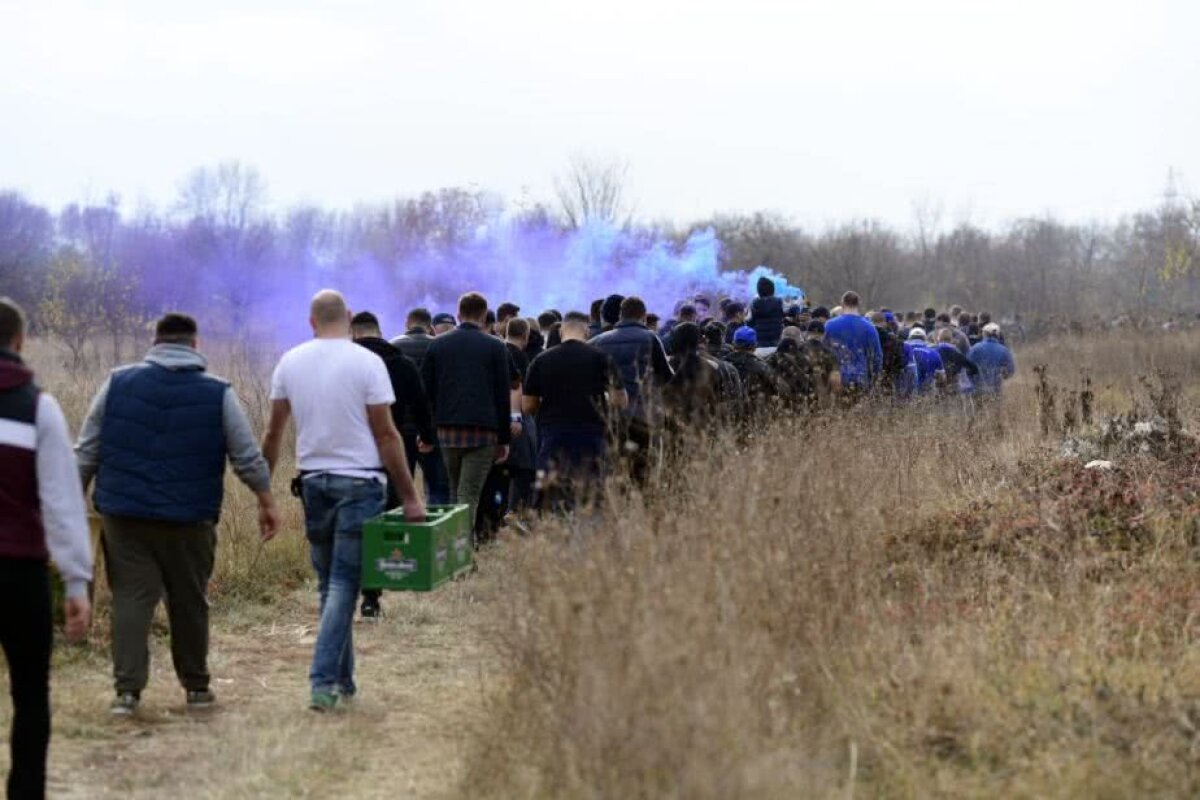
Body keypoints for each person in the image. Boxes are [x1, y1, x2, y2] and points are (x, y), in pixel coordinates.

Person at [76, 312, 280, 716]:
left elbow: (86, 452)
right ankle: (197, 689)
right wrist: (265, 499)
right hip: (191, 518)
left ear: (154, 343)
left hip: (125, 514)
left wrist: (70, 505)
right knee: (189, 600)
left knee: (132, 600)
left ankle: (127, 694)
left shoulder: (116, 384)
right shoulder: (217, 392)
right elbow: (246, 455)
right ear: (195, 345)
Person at [263, 290, 425, 712]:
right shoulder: (368, 363)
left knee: (329, 585)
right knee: (343, 585)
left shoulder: (290, 362)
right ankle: (321, 681)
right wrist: (409, 496)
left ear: (311, 321)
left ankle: (344, 679)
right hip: (362, 486)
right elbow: (387, 435)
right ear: (349, 319)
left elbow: (273, 435)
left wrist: (264, 494)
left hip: (313, 484)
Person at [0, 297, 92, 800]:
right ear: (19, 342)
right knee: (31, 694)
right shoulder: (39, 406)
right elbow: (61, 500)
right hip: (19, 575)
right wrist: (76, 581)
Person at [350, 311, 436, 619]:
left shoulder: (345, 363)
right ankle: (372, 593)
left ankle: (344, 586)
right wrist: (428, 436)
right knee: (381, 521)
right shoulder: (401, 363)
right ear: (380, 331)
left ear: (353, 333)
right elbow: (421, 403)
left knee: (352, 522)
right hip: (389, 448)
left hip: (348, 451)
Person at [420, 292, 512, 538]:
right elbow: (502, 395)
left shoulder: (437, 345)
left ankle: (449, 553)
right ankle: (460, 554)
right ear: (484, 316)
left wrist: (426, 433)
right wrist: (504, 438)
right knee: (469, 493)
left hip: (447, 431)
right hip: (484, 432)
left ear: (458, 315)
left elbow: (425, 393)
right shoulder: (496, 346)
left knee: (452, 491)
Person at [523, 312, 627, 510]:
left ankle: (554, 534)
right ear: (586, 330)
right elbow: (620, 401)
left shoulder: (542, 360)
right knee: (592, 496)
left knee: (550, 497)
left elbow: (528, 406)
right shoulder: (601, 358)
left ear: (561, 330)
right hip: (592, 435)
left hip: (553, 436)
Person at [591, 296, 674, 481]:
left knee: (612, 472)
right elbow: (667, 377)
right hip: (644, 417)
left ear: (620, 315)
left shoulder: (598, 341)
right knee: (644, 473)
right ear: (644, 316)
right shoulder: (650, 338)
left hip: (610, 418)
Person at [389, 308, 451, 508]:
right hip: (433, 429)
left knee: (399, 485)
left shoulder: (392, 347)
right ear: (430, 326)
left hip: (399, 429)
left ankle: (400, 530)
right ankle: (438, 530)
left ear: (407, 323)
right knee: (439, 486)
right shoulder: (440, 347)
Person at [823, 291, 883, 395]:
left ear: (842, 303)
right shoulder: (869, 327)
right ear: (859, 304)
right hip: (861, 378)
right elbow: (877, 356)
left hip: (836, 380)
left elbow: (822, 352)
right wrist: (874, 378)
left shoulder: (829, 325)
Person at [725, 326, 781, 411]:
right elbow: (779, 389)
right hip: (754, 416)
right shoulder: (762, 367)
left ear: (733, 344)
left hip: (727, 415)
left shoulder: (724, 364)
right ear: (755, 345)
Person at [968, 323, 1016, 396]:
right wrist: (1002, 375)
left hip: (977, 390)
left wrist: (972, 380)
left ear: (984, 334)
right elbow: (1010, 370)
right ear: (998, 335)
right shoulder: (1004, 350)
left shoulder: (975, 348)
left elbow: (967, 367)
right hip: (996, 390)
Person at [934, 328, 980, 395]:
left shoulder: (934, 351)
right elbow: (973, 367)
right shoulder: (956, 352)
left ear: (939, 339)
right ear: (951, 340)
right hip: (953, 386)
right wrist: (969, 373)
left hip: (938, 387)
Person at [905, 328, 945, 396]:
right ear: (925, 339)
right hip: (926, 397)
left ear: (909, 338)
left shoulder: (903, 350)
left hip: (906, 395)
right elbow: (941, 378)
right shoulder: (934, 353)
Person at [749, 276, 785, 348]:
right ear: (772, 289)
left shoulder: (754, 304)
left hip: (759, 343)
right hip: (777, 342)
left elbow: (750, 323)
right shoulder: (779, 303)